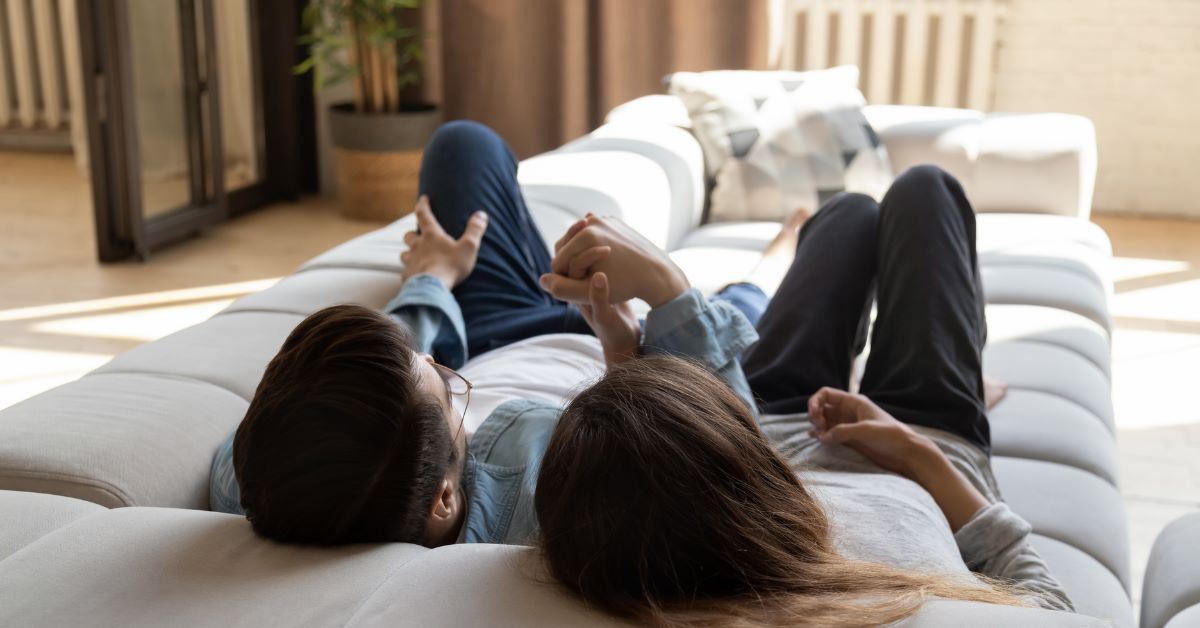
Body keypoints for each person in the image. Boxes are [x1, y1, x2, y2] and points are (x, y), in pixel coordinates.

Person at [534, 165, 1073, 624]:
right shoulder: (890, 597)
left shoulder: (663, 558)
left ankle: (866, 350)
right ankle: (936, 371)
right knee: (927, 190)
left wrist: (625, 348)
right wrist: (917, 455)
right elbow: (1052, 606)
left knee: (849, 214)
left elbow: (683, 467)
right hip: (924, 441)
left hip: (766, 431)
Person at [208, 121, 768, 545]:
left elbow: (352, 402)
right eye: (450, 389)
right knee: (743, 300)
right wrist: (663, 297)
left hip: (494, 333)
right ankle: (776, 254)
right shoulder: (551, 497)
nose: (434, 362)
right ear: (445, 499)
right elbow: (737, 471)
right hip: (640, 368)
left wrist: (432, 279)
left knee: (462, 144)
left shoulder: (255, 479)